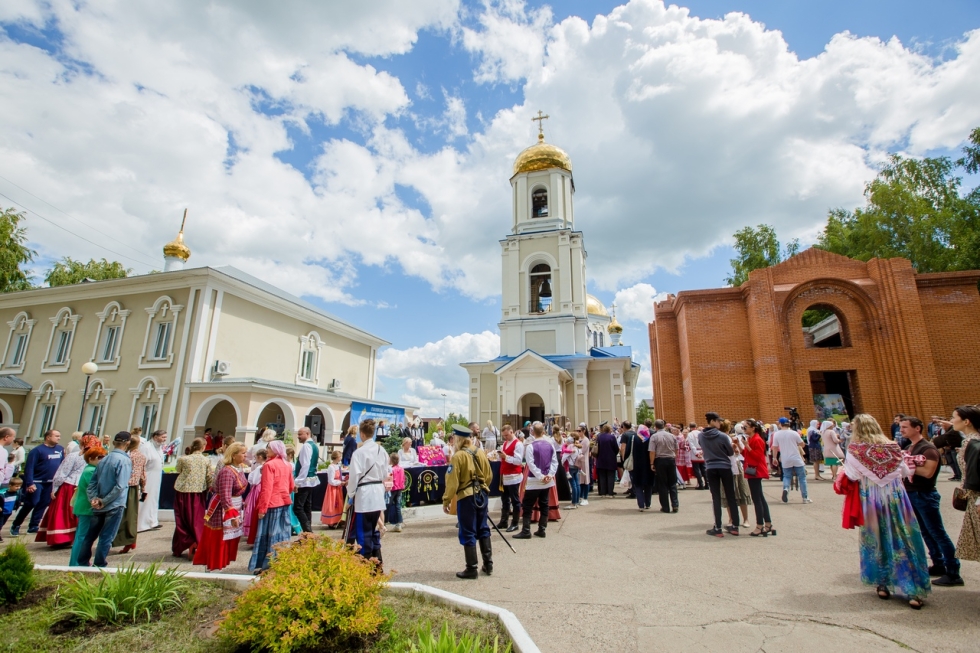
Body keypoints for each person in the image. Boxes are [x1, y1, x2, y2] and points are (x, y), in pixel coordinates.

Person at [841, 414, 930, 609]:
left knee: (876, 539)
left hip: (872, 498)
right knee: (905, 538)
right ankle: (914, 589)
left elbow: (852, 475)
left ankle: (883, 583)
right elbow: (906, 472)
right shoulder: (893, 446)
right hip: (896, 497)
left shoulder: (855, 450)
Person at [899, 416, 962, 586]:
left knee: (937, 533)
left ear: (917, 428)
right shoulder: (909, 447)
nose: (901, 430)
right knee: (926, 532)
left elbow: (927, 472)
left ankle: (953, 572)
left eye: (905, 427)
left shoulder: (928, 449)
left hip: (924, 494)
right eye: (901, 427)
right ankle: (938, 564)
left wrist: (906, 466)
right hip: (912, 494)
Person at [444, 423, 493, 578]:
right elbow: (489, 475)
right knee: (483, 528)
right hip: (482, 495)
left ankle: (471, 568)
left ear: (457, 439)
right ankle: (488, 564)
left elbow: (452, 482)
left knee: (468, 530)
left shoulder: (458, 456)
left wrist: (446, 500)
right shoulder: (480, 452)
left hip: (466, 497)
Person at [77, 432, 133, 567]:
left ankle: (83, 562)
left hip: (99, 503)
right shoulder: (124, 460)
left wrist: (94, 499)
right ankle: (100, 563)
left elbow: (92, 483)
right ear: (127, 443)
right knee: (106, 537)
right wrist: (104, 501)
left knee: (90, 536)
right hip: (114, 504)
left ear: (113, 443)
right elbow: (120, 486)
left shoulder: (104, 459)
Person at [194, 442, 248, 572]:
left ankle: (221, 564)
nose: (245, 456)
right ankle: (213, 566)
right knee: (220, 537)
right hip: (223, 509)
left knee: (229, 537)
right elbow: (225, 494)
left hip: (235, 504)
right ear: (234, 455)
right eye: (243, 453)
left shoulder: (238, 468)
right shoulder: (227, 471)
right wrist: (232, 515)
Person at [37, 434, 99, 547]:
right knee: (76, 513)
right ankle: (72, 537)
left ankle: (60, 538)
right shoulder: (97, 457)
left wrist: (55, 488)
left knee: (64, 512)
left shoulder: (74, 456)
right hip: (82, 486)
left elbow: (62, 473)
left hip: (69, 486)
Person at [345, 419, 390, 565]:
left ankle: (366, 567)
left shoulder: (359, 453)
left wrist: (350, 495)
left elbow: (354, 478)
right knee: (374, 530)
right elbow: (385, 474)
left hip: (364, 494)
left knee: (363, 533)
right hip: (377, 493)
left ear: (362, 434)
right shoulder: (381, 451)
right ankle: (378, 565)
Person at [249, 440, 294, 574]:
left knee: (268, 535)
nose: (267, 450)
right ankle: (282, 562)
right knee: (282, 534)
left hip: (272, 504)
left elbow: (267, 488)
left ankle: (267, 566)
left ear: (275, 450)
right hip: (284, 502)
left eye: (269, 448)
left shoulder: (269, 465)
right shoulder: (287, 465)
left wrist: (262, 509)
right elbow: (291, 486)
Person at [9, 429, 64, 536]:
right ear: (48, 437)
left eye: (59, 436)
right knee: (31, 503)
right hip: (37, 481)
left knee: (43, 504)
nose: (59, 438)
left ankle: (33, 525)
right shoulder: (37, 451)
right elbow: (29, 468)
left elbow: (62, 466)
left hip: (50, 483)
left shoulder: (60, 449)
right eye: (56, 436)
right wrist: (30, 483)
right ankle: (16, 524)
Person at [950, 405, 980, 573]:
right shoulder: (970, 441)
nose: (952, 420)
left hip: (977, 497)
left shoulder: (973, 442)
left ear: (966, 421)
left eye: (954, 417)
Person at [515, 421, 557, 539]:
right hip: (547, 480)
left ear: (532, 432)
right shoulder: (550, 445)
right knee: (544, 504)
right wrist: (549, 475)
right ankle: (542, 529)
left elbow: (530, 464)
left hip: (534, 481)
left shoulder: (531, 446)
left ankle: (526, 530)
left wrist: (540, 476)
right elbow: (554, 462)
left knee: (527, 505)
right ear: (543, 431)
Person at [172, 438, 213, 559]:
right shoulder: (206, 460)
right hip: (198, 492)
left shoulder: (183, 459)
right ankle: (195, 541)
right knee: (196, 519)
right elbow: (209, 476)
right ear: (203, 447)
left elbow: (177, 470)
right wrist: (210, 488)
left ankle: (187, 542)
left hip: (183, 490)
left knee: (182, 518)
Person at [700, 413, 740, 537]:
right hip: (724, 466)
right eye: (718, 421)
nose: (720, 423)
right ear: (712, 421)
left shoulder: (701, 436)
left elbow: (703, 448)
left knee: (715, 497)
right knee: (730, 496)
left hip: (711, 466)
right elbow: (729, 452)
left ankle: (717, 527)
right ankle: (735, 526)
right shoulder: (722, 436)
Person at [67, 447, 106, 565]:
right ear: (90, 458)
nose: (102, 459)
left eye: (104, 456)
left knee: (82, 535)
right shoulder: (90, 471)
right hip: (86, 507)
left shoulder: (92, 469)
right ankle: (76, 563)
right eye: (99, 457)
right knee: (82, 537)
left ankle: (76, 562)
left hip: (85, 506)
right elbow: (95, 487)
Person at [112, 434, 147, 553]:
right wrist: (143, 488)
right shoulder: (141, 456)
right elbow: (143, 474)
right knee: (131, 515)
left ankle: (125, 539)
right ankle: (131, 540)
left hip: (125, 486)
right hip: (134, 486)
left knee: (122, 515)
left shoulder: (127, 456)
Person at [743, 420, 775, 537]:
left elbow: (757, 456)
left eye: (745, 427)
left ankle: (760, 525)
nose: (744, 429)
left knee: (757, 499)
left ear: (753, 428)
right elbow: (747, 454)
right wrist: (740, 448)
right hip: (752, 470)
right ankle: (768, 523)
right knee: (760, 497)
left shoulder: (757, 439)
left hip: (756, 470)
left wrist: (746, 446)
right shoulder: (751, 439)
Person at [772, 417, 811, 504]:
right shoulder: (794, 433)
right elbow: (802, 444)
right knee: (802, 477)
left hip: (785, 458)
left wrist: (774, 458)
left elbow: (775, 447)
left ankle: (786, 488)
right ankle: (805, 497)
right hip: (796, 457)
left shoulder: (777, 434)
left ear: (780, 424)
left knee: (787, 476)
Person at [496, 424, 524, 532]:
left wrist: (505, 457)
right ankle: (504, 521)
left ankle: (515, 523)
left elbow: (518, 460)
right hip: (504, 475)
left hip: (513, 475)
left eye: (507, 435)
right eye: (504, 436)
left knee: (515, 499)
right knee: (504, 499)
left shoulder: (518, 444)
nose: (505, 437)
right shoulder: (505, 444)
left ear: (511, 432)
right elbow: (503, 458)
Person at [138, 429, 166, 532]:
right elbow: (142, 463)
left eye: (165, 437)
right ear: (155, 437)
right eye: (162, 437)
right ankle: (142, 523)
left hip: (156, 476)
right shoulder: (146, 447)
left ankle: (152, 521)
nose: (164, 439)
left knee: (153, 499)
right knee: (146, 498)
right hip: (148, 475)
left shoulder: (159, 447)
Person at [292, 427, 320, 534]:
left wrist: (298, 481)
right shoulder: (314, 446)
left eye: (300, 434)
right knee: (306, 507)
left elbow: (306, 464)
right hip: (310, 479)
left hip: (305, 480)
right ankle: (307, 534)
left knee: (298, 508)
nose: (298, 437)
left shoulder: (307, 446)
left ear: (307, 434)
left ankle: (308, 533)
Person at [649, 420, 678, 513]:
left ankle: (665, 507)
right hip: (671, 459)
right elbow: (676, 448)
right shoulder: (672, 436)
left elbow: (652, 451)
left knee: (662, 484)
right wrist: (674, 457)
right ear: (664, 426)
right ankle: (675, 504)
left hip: (660, 460)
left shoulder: (654, 436)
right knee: (673, 483)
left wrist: (652, 463)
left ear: (655, 427)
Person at [622, 422, 651, 510]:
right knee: (648, 484)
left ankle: (641, 505)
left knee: (638, 484)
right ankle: (648, 504)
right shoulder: (649, 438)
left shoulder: (633, 438)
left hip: (636, 463)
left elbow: (628, 450)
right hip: (647, 464)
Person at [244, 449, 267, 544]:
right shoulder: (263, 466)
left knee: (252, 509)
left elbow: (253, 480)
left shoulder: (260, 468)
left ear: (260, 457)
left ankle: (252, 531)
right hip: (262, 487)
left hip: (257, 488)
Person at [320, 450, 345, 529]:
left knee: (338, 504)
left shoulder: (338, 466)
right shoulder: (331, 467)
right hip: (333, 489)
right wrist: (340, 482)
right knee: (333, 504)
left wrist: (344, 480)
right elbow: (330, 480)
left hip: (338, 488)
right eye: (340, 456)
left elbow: (339, 476)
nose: (341, 458)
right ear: (337, 457)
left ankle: (338, 520)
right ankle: (331, 521)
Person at [594, 424, 619, 497]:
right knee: (610, 476)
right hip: (610, 459)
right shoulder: (612, 437)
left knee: (602, 477)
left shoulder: (599, 437)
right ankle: (610, 492)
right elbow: (616, 448)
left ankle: (603, 492)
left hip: (601, 459)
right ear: (609, 429)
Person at [387, 451, 406, 532]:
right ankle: (399, 523)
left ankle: (385, 522)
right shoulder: (401, 468)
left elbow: (389, 479)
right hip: (400, 488)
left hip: (392, 489)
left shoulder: (391, 469)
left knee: (388, 505)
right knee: (398, 505)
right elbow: (403, 479)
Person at [0, 476, 24, 541]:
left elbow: (18, 500)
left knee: (2, 524)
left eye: (19, 486)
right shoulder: (3, 494)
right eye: (16, 486)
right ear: (10, 485)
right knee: (0, 524)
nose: (18, 488)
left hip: (8, 512)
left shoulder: (17, 493)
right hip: (2, 512)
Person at [687, 423, 706, 489]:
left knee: (697, 469)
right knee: (704, 468)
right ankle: (707, 484)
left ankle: (700, 484)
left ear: (690, 427)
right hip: (702, 451)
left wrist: (696, 453)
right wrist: (702, 452)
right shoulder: (701, 433)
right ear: (696, 426)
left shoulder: (690, 434)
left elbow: (691, 444)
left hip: (695, 453)